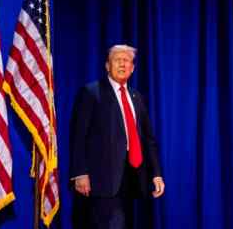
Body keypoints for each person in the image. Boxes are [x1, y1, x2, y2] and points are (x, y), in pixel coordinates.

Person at [69, 45, 165, 229]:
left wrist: (156, 174)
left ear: (133, 67)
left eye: (127, 60)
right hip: (101, 180)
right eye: (117, 59)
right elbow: (78, 135)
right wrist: (80, 173)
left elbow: (147, 139)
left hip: (133, 177)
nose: (122, 63)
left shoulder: (137, 97)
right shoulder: (91, 92)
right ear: (107, 65)